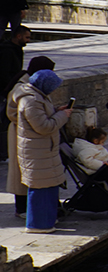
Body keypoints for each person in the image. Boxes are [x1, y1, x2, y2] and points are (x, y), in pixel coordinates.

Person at [12, 69, 71, 232]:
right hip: (36, 152)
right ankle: (37, 224)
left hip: (44, 150)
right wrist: (63, 116)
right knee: (39, 189)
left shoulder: (38, 96)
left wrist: (58, 111)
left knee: (49, 186)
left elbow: (44, 117)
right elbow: (44, 126)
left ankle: (47, 221)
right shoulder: (30, 100)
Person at [6, 56, 53, 217]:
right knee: (21, 172)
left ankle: (30, 206)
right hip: (21, 135)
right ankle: (21, 208)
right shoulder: (22, 88)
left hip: (29, 135)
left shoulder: (32, 85)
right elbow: (11, 113)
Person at [0, 25, 32, 162]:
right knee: (3, 123)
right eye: (27, 37)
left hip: (9, 90)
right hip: (4, 91)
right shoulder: (7, 51)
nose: (28, 40)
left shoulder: (16, 49)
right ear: (18, 36)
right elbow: (4, 73)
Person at [73, 127, 108, 195]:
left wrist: (106, 160)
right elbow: (88, 161)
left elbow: (97, 156)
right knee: (107, 172)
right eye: (102, 142)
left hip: (96, 170)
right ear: (95, 141)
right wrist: (102, 164)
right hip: (93, 172)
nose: (103, 144)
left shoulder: (92, 147)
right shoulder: (88, 149)